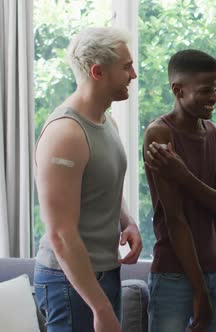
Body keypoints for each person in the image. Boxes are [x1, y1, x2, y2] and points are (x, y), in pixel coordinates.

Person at [34, 27, 142, 332]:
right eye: (126, 67)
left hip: (103, 272)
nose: (133, 74)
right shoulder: (65, 134)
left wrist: (127, 221)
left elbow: (102, 184)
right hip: (68, 281)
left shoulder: (107, 121)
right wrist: (101, 308)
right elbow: (61, 235)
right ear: (98, 72)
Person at [142, 49, 216, 332]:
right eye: (206, 91)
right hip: (173, 275)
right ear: (178, 90)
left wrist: (183, 176)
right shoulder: (160, 134)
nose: (214, 98)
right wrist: (199, 291)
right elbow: (175, 219)